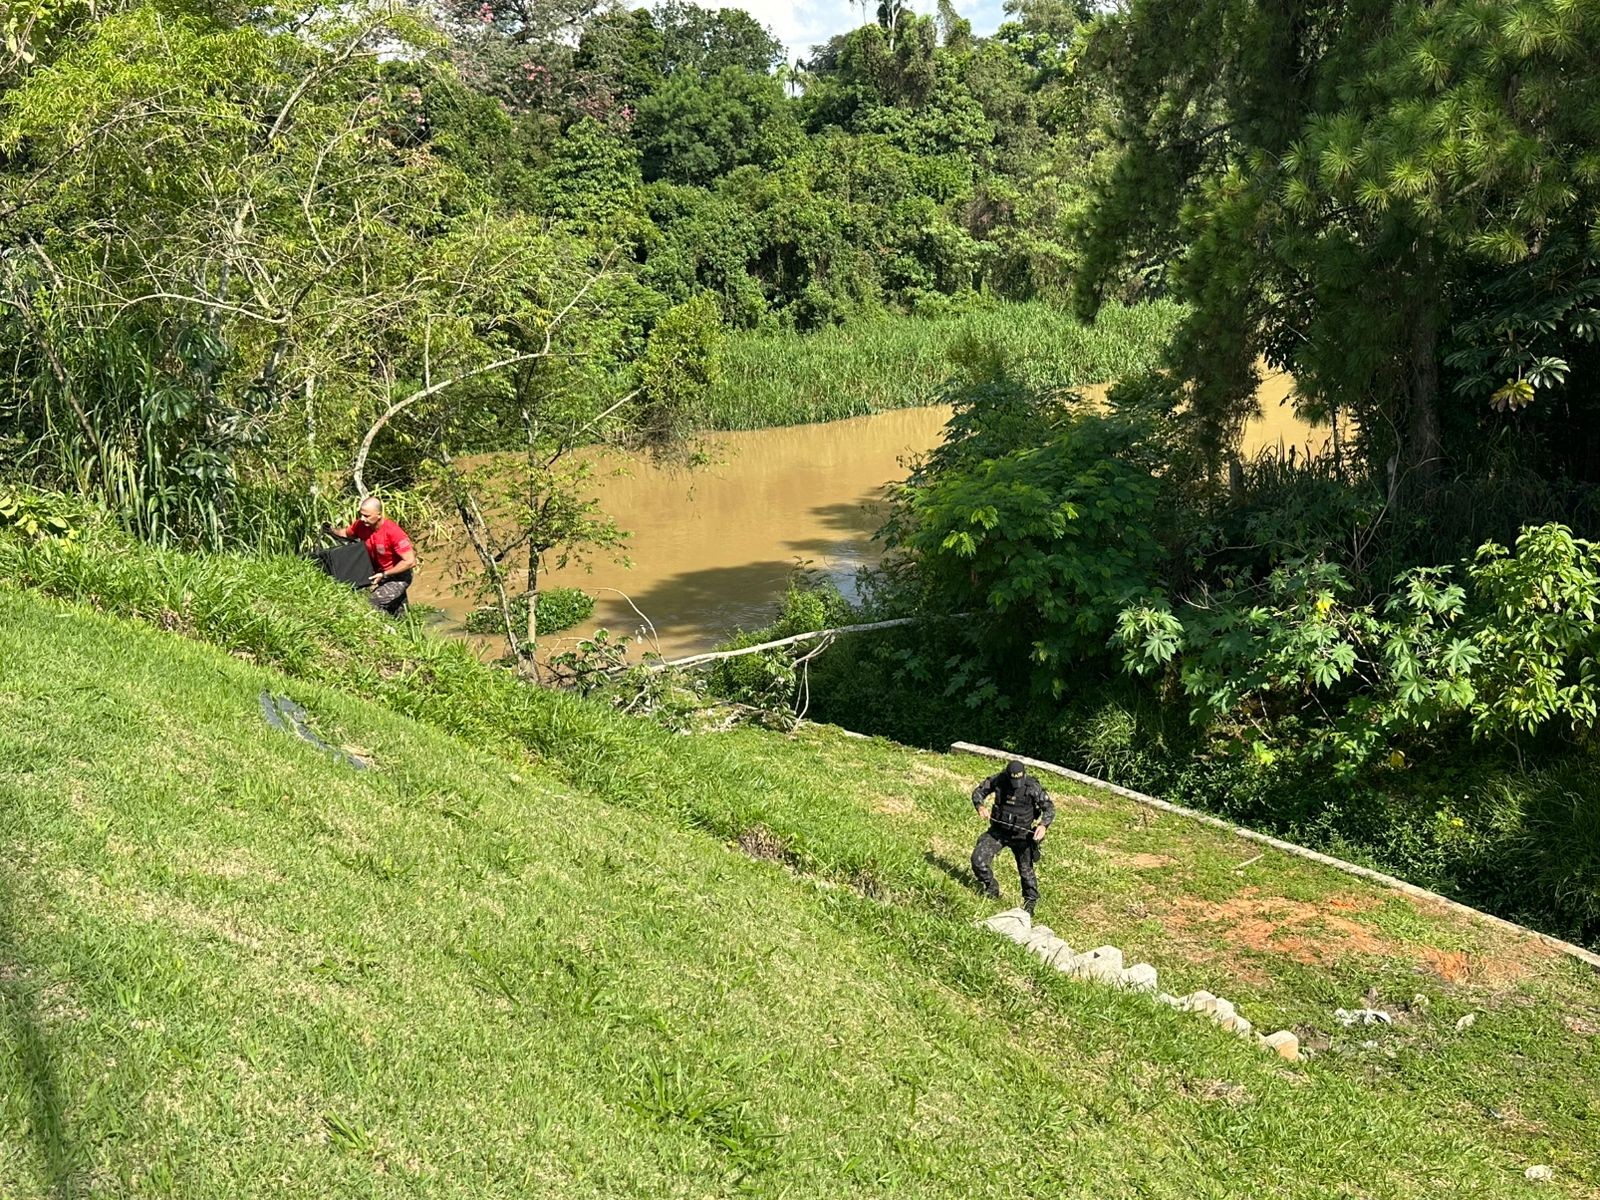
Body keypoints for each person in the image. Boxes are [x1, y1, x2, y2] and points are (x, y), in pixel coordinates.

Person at [971, 758, 1055, 916]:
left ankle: (1030, 905)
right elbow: (979, 792)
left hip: (1022, 836)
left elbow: (1049, 808)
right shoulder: (999, 780)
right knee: (978, 860)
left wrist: (1043, 825)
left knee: (1026, 872)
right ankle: (991, 888)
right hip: (998, 831)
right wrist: (980, 806)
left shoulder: (1032, 787)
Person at [324, 497, 416, 615]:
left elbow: (410, 561)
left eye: (367, 516)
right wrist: (331, 530)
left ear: (379, 515)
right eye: (361, 514)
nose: (362, 519)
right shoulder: (361, 525)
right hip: (379, 575)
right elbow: (346, 533)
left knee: (372, 603)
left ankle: (385, 630)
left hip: (398, 577)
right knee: (400, 613)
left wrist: (385, 574)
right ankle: (407, 629)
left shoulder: (394, 532)